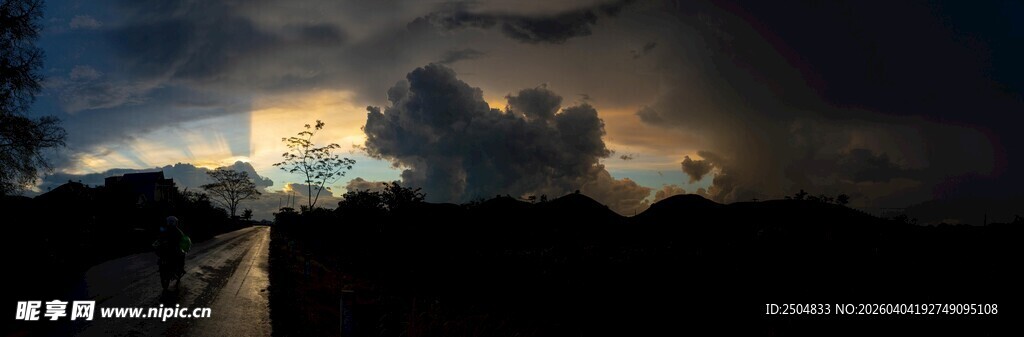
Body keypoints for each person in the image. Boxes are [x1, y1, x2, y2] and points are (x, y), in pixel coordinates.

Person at [153, 216, 190, 290]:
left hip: (170, 250)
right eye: (170, 222)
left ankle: (179, 269)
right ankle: (179, 269)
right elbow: (159, 238)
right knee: (181, 256)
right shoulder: (175, 231)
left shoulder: (174, 231)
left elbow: (182, 240)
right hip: (167, 251)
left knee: (181, 256)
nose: (170, 223)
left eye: (171, 222)